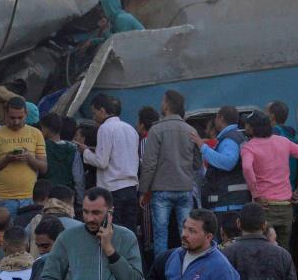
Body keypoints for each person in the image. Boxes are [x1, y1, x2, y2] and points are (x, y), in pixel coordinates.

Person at [138, 90, 203, 256]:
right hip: (185, 188)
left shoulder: (156, 130)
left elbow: (149, 164)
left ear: (166, 105)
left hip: (161, 190)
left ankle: (162, 271)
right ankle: (186, 266)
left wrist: (144, 190)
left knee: (160, 234)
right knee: (187, 233)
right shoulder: (190, 130)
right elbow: (197, 163)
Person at [241, 112, 298, 250]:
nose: (245, 128)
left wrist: (256, 194)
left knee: (265, 248)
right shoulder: (283, 141)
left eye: (246, 125)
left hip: (265, 206)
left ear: (252, 128)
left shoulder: (249, 147)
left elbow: (246, 167)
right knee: (284, 249)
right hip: (286, 206)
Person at [81, 94, 141, 233]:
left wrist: (86, 152)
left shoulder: (105, 129)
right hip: (131, 187)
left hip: (113, 190)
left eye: (94, 113)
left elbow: (101, 162)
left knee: (113, 232)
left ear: (102, 110)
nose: (94, 117)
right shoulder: (130, 129)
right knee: (130, 233)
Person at [0, 96, 48, 216]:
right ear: (5, 114)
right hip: (3, 198)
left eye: (20, 118)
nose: (16, 122)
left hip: (29, 197)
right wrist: (7, 159)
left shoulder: (36, 134)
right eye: (12, 118)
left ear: (26, 114)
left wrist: (29, 158)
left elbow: (44, 168)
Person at [201, 105, 251, 234]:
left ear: (220, 118)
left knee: (226, 246)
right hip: (235, 202)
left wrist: (203, 148)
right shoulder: (238, 136)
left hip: (227, 204)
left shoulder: (229, 139)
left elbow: (228, 163)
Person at [39, 113, 82, 199]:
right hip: (67, 194)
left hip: (46, 194)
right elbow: (79, 178)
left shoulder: (42, 147)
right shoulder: (73, 149)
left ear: (46, 129)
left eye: (42, 128)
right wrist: (80, 199)